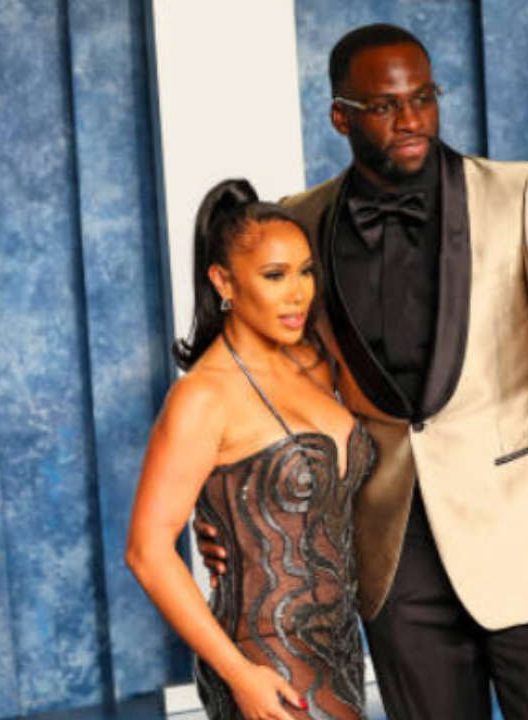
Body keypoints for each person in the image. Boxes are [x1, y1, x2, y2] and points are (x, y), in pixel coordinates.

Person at [200, 23, 528, 720]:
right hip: (393, 564)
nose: (410, 120)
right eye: (384, 106)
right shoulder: (303, 222)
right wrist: (228, 511)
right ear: (341, 117)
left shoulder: (521, 195)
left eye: (423, 99)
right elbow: (268, 388)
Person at [126, 179, 377, 720]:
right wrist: (239, 675)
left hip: (342, 648)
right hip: (261, 656)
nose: (298, 293)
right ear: (224, 281)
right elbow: (146, 551)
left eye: (305, 272)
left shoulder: (315, 361)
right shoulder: (202, 397)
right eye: (274, 275)